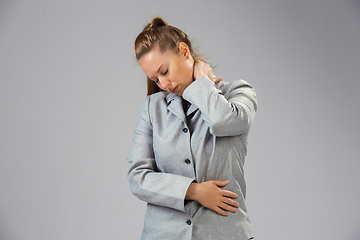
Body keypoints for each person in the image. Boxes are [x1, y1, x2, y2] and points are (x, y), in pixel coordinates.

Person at [127, 17, 257, 240]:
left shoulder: (238, 94)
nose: (164, 85)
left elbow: (220, 121)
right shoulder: (152, 108)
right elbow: (137, 177)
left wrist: (201, 83)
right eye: (155, 79)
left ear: (184, 50)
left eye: (164, 71)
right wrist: (194, 191)